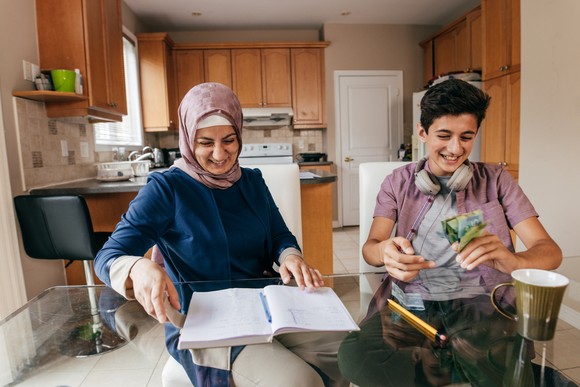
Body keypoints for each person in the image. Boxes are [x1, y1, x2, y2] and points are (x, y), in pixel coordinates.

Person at [95, 82, 346, 387]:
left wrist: (290, 256)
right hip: (203, 320)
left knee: (343, 352)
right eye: (205, 142)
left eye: (229, 140)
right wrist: (138, 266)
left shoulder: (252, 181)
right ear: (188, 140)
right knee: (300, 381)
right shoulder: (166, 188)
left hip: (263, 305)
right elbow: (107, 257)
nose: (219, 153)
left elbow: (279, 235)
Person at [337, 79, 564, 386]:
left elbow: (549, 251)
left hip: (481, 304)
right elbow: (371, 247)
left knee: (488, 358)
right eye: (444, 136)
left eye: (466, 137)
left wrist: (512, 262)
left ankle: (445, 358)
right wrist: (384, 253)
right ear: (423, 132)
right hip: (412, 304)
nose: (456, 148)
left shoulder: (497, 180)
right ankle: (458, 359)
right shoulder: (397, 182)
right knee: (356, 357)